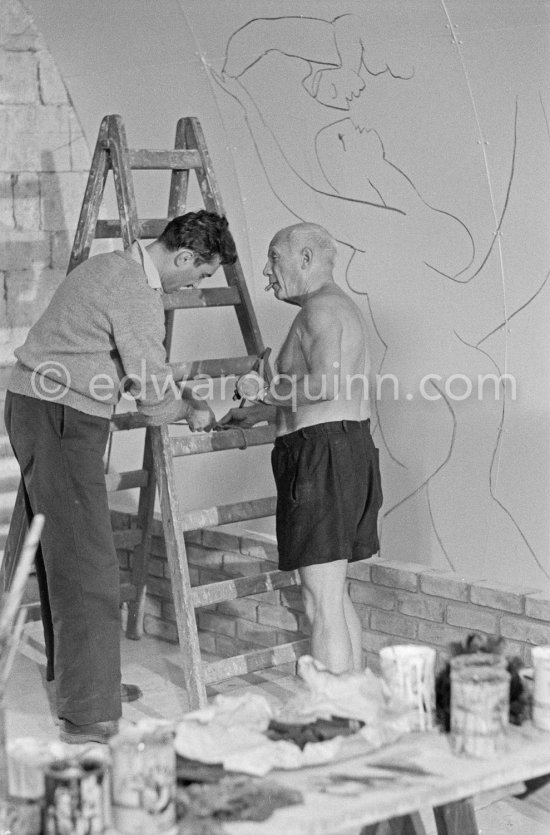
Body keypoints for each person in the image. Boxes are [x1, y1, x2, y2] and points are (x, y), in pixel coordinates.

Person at [4, 210, 235, 743]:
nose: (194, 285)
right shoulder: (134, 289)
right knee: (89, 564)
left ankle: (81, 684)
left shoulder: (113, 267)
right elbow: (153, 395)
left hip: (42, 406)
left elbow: (107, 356)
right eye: (200, 275)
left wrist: (173, 393)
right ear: (183, 258)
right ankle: (89, 716)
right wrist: (191, 410)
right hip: (60, 417)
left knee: (53, 549)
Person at [220, 222, 382, 673]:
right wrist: (257, 412)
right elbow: (326, 391)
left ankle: (332, 716)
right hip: (342, 450)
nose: (268, 272)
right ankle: (350, 705)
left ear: (306, 258)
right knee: (333, 593)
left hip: (321, 458)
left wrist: (260, 390)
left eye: (275, 258)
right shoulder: (333, 309)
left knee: (319, 601)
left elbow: (327, 385)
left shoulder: (320, 311)